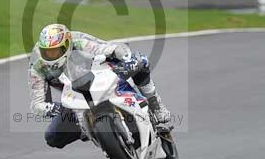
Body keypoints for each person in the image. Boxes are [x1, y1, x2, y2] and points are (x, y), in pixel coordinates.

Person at [28, 23, 171, 149]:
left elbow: (105, 48)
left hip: (100, 73)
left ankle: (155, 104)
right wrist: (56, 109)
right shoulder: (37, 65)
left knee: (140, 61)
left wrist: (121, 56)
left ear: (66, 45)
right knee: (53, 137)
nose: (50, 55)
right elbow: (37, 104)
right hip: (75, 97)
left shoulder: (77, 41)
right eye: (46, 52)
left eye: (55, 51)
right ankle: (90, 130)